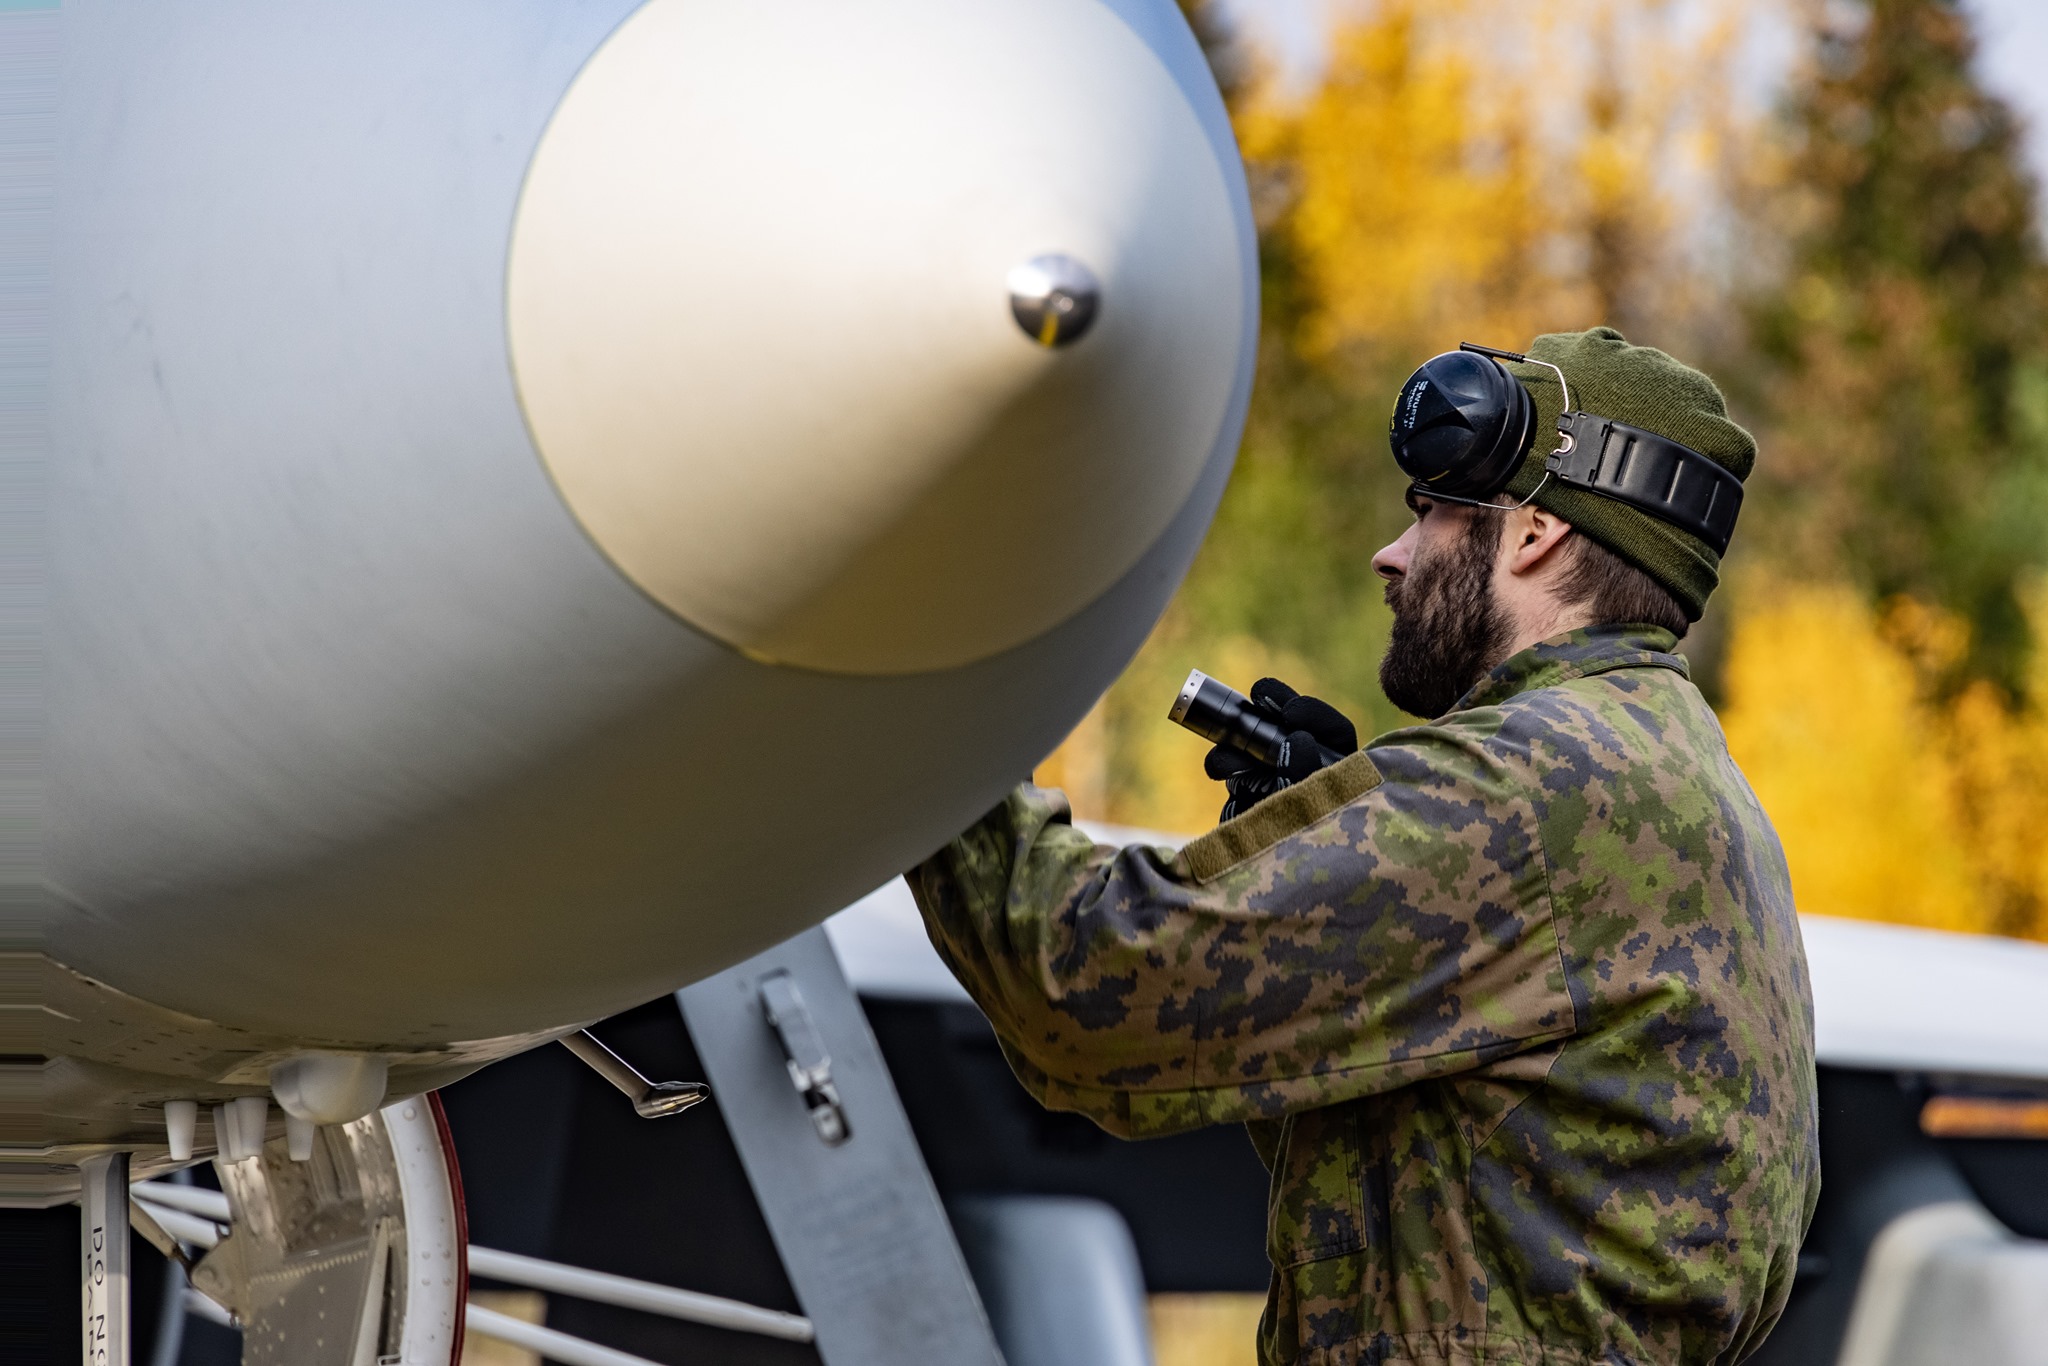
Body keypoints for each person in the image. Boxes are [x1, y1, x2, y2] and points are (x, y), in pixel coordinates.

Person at [907, 327, 1820, 1366]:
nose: (1392, 553)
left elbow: (1085, 990)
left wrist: (930, 701)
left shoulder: (1533, 785)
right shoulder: (1684, 783)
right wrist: (1304, 856)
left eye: (1431, 511)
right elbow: (1431, 1197)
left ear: (1531, 537)